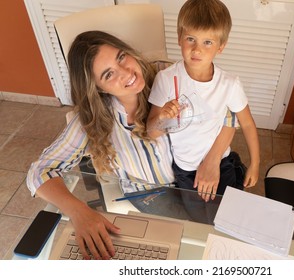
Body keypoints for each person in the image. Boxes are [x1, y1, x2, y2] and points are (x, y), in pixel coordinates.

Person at [26, 30, 176, 260]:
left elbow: (222, 102)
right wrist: (80, 212)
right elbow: (39, 172)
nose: (127, 73)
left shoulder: (167, 74)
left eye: (121, 57)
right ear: (99, 88)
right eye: (108, 74)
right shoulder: (92, 120)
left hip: (192, 177)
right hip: (150, 195)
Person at [147, 0, 260, 202]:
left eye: (207, 42)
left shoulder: (229, 84)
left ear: (221, 47)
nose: (197, 49)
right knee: (198, 219)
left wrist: (256, 162)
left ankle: (236, 168)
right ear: (179, 38)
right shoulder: (165, 79)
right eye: (191, 39)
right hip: (184, 168)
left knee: (226, 213)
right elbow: (152, 131)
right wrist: (163, 117)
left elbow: (247, 123)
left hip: (221, 161)